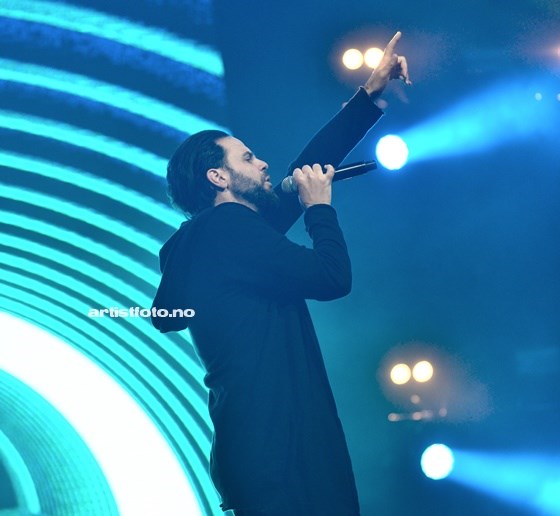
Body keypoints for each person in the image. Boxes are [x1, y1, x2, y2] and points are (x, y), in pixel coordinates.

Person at [152, 32, 410, 516]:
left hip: (261, 451)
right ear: (218, 177)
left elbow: (304, 169)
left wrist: (368, 97)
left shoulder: (220, 239)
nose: (263, 162)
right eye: (247, 158)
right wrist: (319, 208)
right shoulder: (228, 231)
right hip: (283, 455)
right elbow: (331, 277)